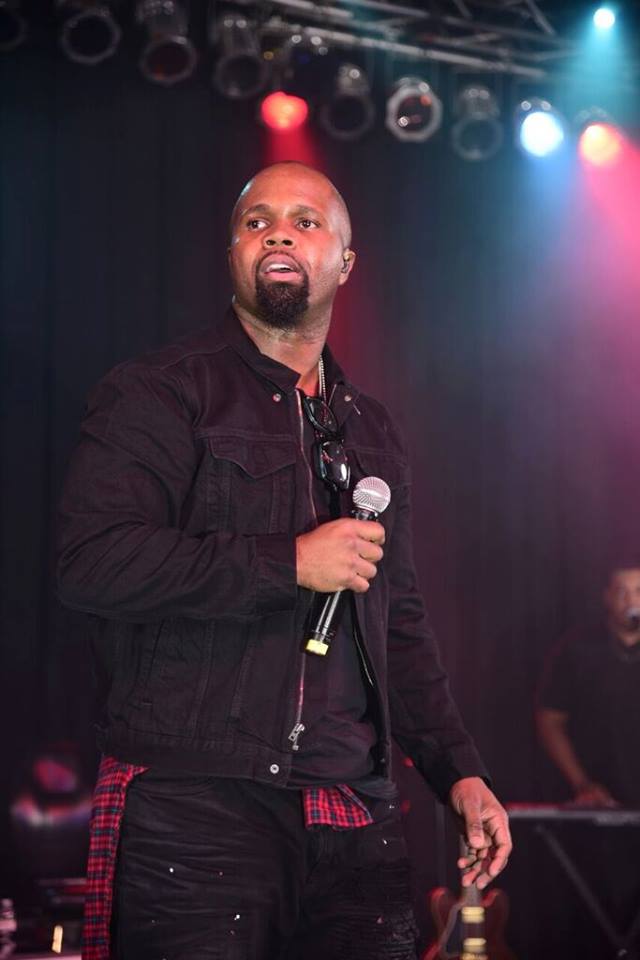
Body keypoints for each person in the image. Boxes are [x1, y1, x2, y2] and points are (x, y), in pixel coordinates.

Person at [57, 162, 511, 960]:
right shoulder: (160, 392)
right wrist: (287, 564)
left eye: (306, 222)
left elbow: (399, 620)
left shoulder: (372, 430)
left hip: (352, 807)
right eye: (257, 221)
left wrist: (459, 771)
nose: (278, 234)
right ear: (233, 254)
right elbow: (93, 562)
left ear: (345, 262)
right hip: (197, 805)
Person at [537, 564, 640, 807]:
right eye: (622, 592)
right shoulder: (578, 650)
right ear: (608, 596)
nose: (631, 601)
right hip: (598, 798)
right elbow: (549, 721)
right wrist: (582, 783)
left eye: (638, 591)